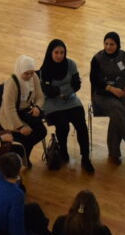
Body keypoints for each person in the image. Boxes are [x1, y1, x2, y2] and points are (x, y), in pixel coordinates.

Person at [38, 39, 92, 173]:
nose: (59, 55)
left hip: (71, 100)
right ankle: (63, 150)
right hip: (52, 103)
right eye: (56, 52)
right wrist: (65, 88)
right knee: (63, 125)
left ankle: (85, 157)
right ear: (51, 53)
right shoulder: (44, 70)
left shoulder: (71, 64)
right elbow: (47, 91)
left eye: (62, 52)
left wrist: (61, 91)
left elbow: (77, 85)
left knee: (81, 125)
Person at [89, 31, 125, 163]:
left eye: (111, 44)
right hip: (103, 95)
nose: (108, 47)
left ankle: (114, 153)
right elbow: (94, 80)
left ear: (117, 45)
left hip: (123, 94)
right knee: (118, 109)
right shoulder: (97, 58)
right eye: (106, 43)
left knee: (117, 114)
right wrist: (112, 89)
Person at [0, 55, 47, 168]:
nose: (30, 76)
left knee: (42, 132)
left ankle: (24, 153)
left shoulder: (34, 77)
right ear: (20, 70)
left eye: (32, 72)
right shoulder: (12, 83)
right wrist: (20, 127)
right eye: (26, 73)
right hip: (10, 116)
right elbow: (9, 109)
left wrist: (37, 107)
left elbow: (40, 96)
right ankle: (22, 156)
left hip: (25, 112)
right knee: (27, 136)